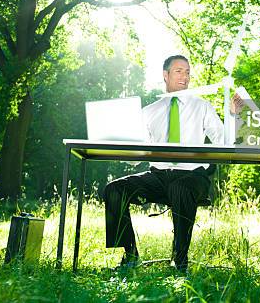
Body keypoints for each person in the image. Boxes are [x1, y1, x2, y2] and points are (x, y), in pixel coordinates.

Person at [103, 55, 243, 273]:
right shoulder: (149, 112)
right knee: (114, 189)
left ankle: (180, 261)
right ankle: (130, 256)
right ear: (165, 75)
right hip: (158, 176)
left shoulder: (202, 106)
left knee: (180, 187)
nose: (185, 76)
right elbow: (134, 156)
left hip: (192, 177)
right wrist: (117, 143)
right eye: (179, 71)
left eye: (187, 72)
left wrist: (233, 116)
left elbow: (224, 143)